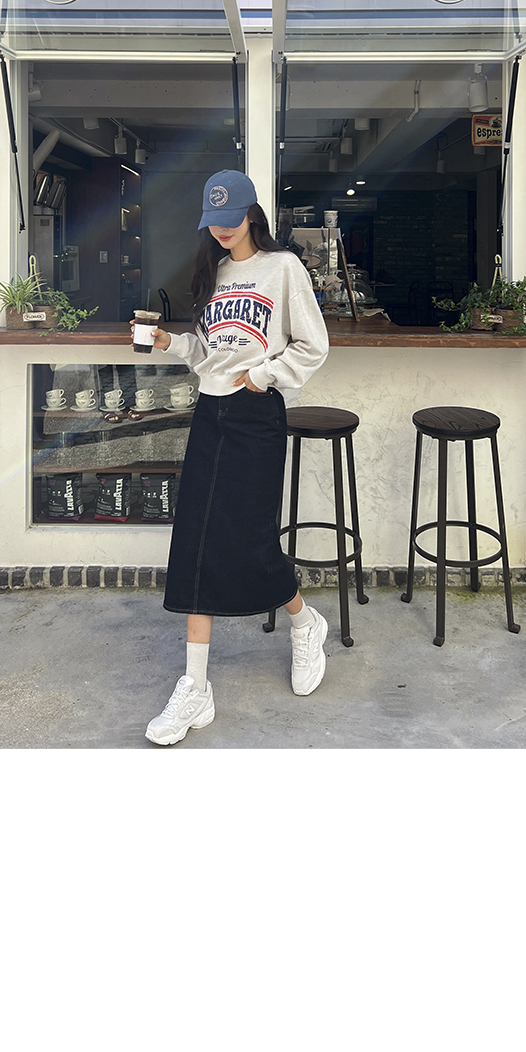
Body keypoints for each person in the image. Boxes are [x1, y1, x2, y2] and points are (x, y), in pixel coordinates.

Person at [131, 170, 330, 746]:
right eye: (213, 221)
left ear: (252, 215)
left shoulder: (284, 268)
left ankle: (305, 623)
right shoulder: (213, 272)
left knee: (248, 539)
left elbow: (312, 344)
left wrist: (264, 376)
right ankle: (195, 687)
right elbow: (207, 352)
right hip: (210, 413)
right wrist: (170, 343)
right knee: (195, 539)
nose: (221, 230)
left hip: (256, 414)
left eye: (231, 219)